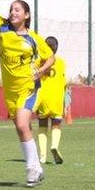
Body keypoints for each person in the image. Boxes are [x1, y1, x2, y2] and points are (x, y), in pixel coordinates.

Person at [0, 0, 54, 187]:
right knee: (22, 129)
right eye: (12, 9)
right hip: (10, 91)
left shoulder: (33, 38)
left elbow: (50, 58)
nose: (13, 12)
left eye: (18, 10)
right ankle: (37, 168)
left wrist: (40, 72)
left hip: (28, 88)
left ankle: (31, 170)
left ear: (26, 15)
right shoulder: (2, 27)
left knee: (22, 125)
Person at [36, 36, 67, 164]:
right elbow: (64, 83)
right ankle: (54, 146)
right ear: (56, 48)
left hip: (43, 98)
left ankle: (42, 156)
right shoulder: (61, 63)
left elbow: (34, 78)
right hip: (57, 98)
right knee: (56, 124)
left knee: (42, 125)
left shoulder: (39, 62)